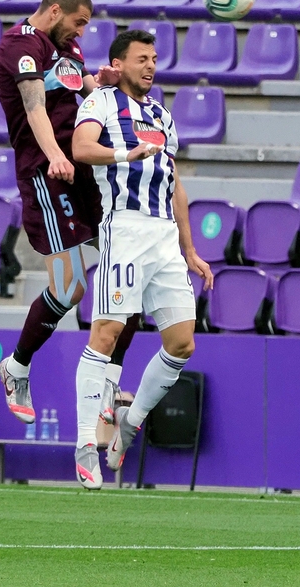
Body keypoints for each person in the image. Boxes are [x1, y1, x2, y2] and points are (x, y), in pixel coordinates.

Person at [69, 29, 213, 489]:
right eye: (141, 59)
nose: (150, 66)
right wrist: (124, 153)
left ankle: (129, 424)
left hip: (165, 236)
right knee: (107, 333)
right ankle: (86, 444)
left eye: (154, 58)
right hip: (125, 228)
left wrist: (189, 249)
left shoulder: (162, 115)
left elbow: (175, 184)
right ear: (120, 62)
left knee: (182, 343)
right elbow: (80, 149)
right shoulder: (101, 104)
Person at [0, 0, 139, 429]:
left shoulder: (69, 47)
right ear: (55, 11)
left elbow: (87, 90)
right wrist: (56, 155)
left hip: (84, 173)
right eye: (78, 23)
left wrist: (105, 83)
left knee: (126, 271)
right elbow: (35, 106)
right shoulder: (19, 44)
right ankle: (17, 366)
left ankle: (110, 380)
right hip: (47, 173)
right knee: (71, 288)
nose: (81, 32)